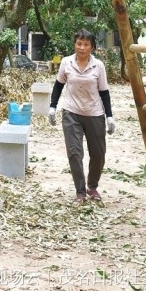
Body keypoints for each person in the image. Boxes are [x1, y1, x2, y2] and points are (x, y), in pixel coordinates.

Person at [48, 29, 116, 204]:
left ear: (92, 47)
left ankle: (92, 187)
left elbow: (104, 92)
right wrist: (52, 107)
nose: (82, 47)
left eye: (86, 44)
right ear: (74, 45)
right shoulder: (66, 62)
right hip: (71, 113)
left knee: (98, 154)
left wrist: (109, 116)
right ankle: (80, 192)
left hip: (94, 114)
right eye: (79, 43)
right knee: (74, 153)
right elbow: (58, 86)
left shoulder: (98, 66)